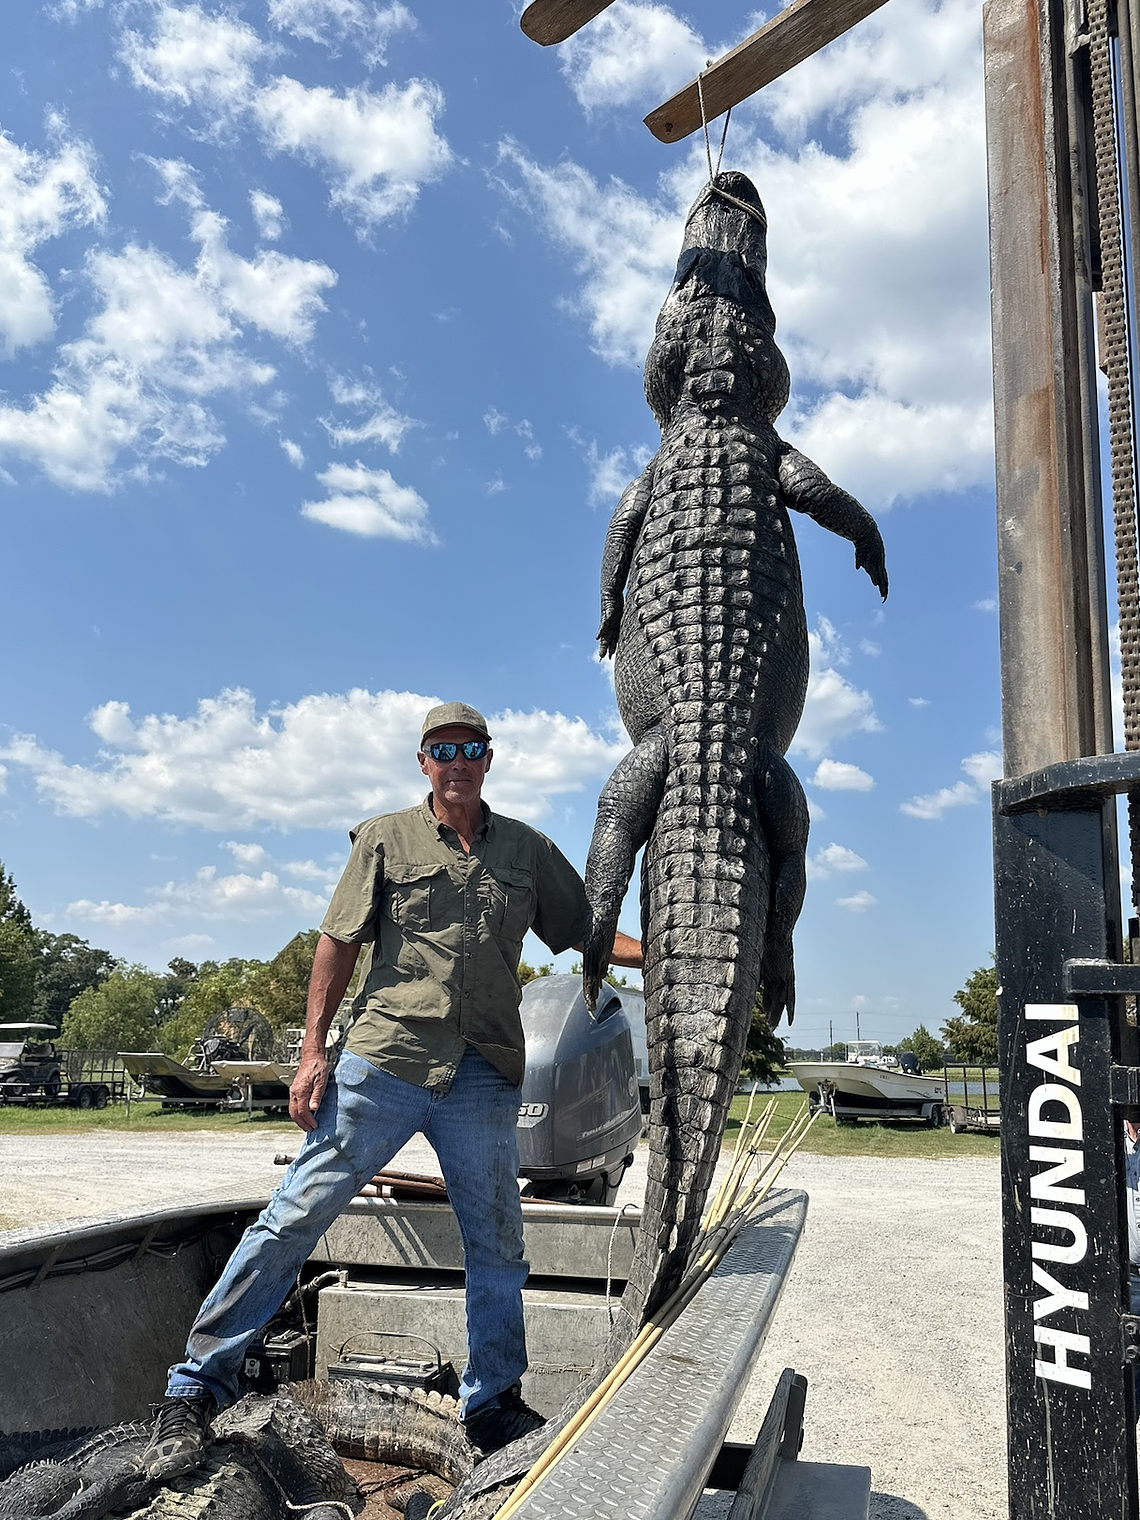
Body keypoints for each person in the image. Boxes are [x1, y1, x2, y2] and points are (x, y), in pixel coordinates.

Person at [142, 701, 642, 1478]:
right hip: (384, 1062)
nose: (457, 761)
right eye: (442, 749)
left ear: (488, 757)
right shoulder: (384, 838)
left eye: (470, 747)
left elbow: (587, 930)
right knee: (292, 1218)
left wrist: (669, 952)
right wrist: (312, 1052)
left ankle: (493, 1403)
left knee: (498, 1246)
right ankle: (198, 1382)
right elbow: (337, 943)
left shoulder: (526, 851)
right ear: (423, 762)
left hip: (482, 1073)